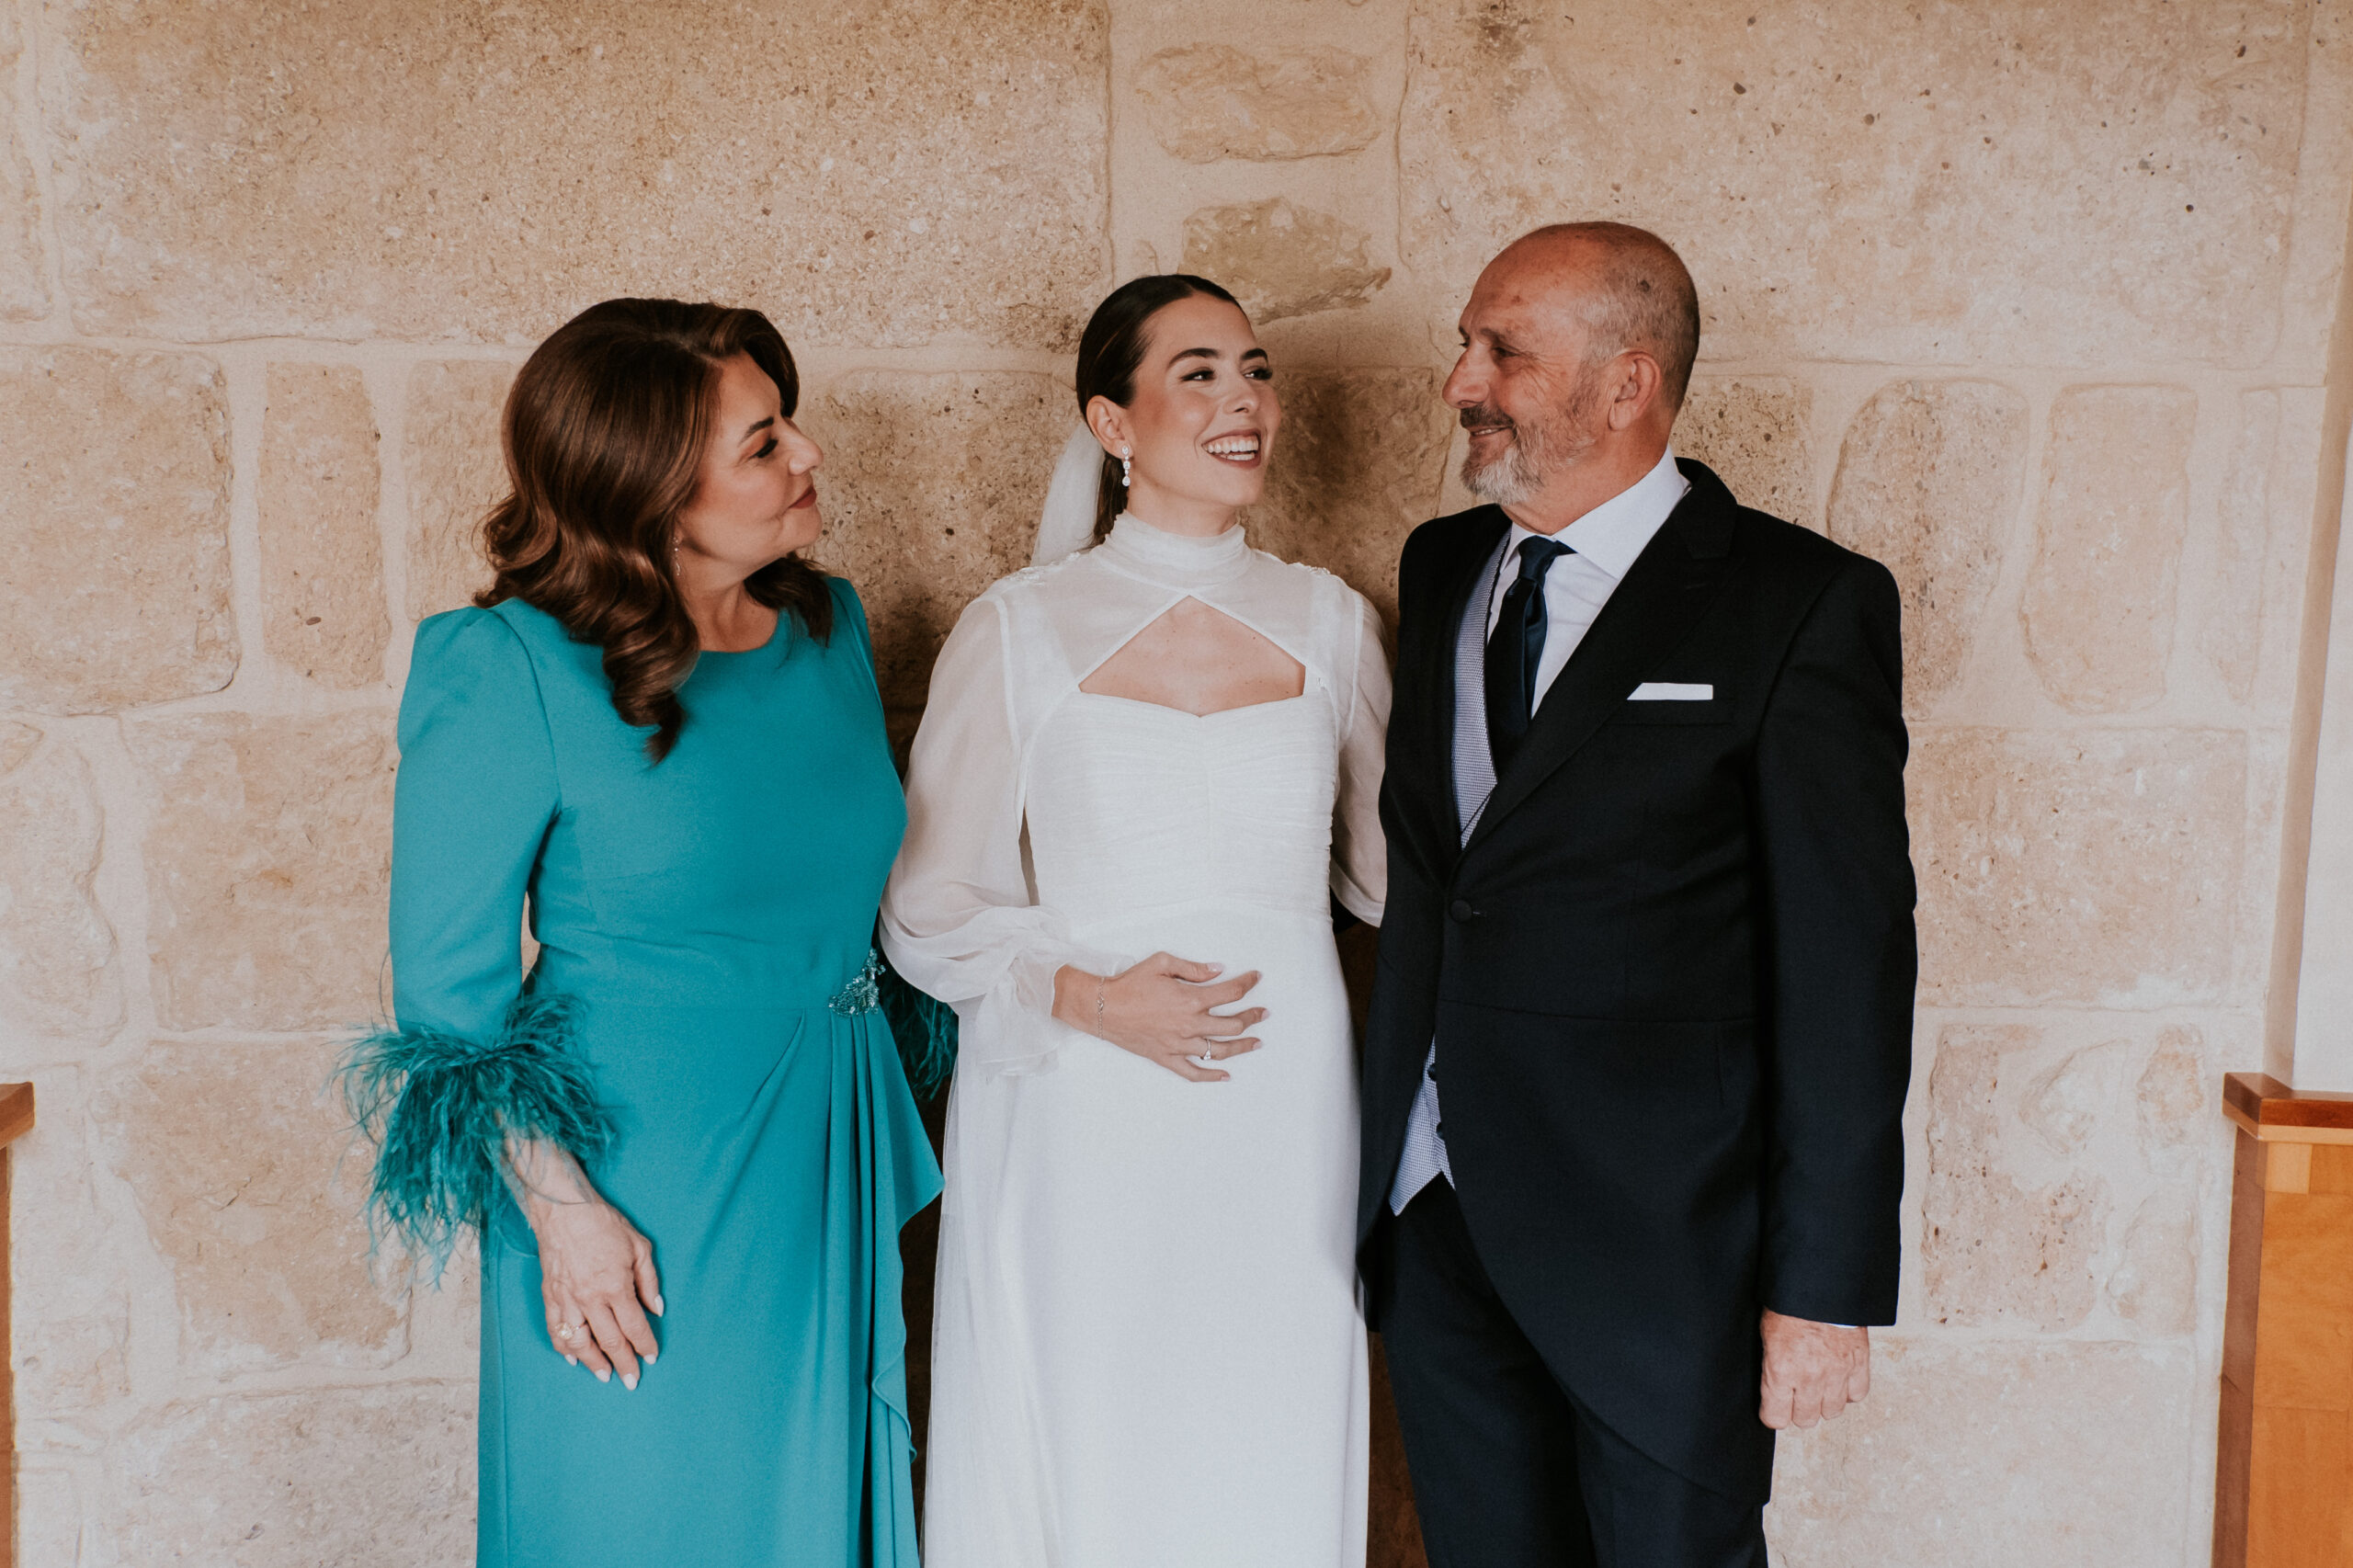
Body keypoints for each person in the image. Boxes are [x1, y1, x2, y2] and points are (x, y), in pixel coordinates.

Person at [341, 299, 943, 1568]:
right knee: (646, 1512)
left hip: (823, 1149)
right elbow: (446, 1005)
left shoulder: (828, 630)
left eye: (788, 424)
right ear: (653, 494)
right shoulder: (505, 666)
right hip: (629, 1184)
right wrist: (565, 1214)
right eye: (763, 443)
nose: (808, 454)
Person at [1358, 223, 1916, 1568]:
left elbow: (1847, 971)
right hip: (1438, 1219)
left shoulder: (1801, 604)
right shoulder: (1442, 567)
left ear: (1628, 384)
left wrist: (1821, 1289)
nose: (1461, 383)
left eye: (1503, 351)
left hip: (1667, 1255)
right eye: (1465, 344)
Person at [881, 274, 1390, 1568]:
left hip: (1284, 1098)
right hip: (1087, 1088)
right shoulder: (1017, 627)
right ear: (1111, 423)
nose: (1243, 401)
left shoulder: (1334, 622)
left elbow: (1395, 879)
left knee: (1269, 1395)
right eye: (1199, 373)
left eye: (1257, 370)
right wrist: (1093, 997)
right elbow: (928, 903)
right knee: (1098, 1394)